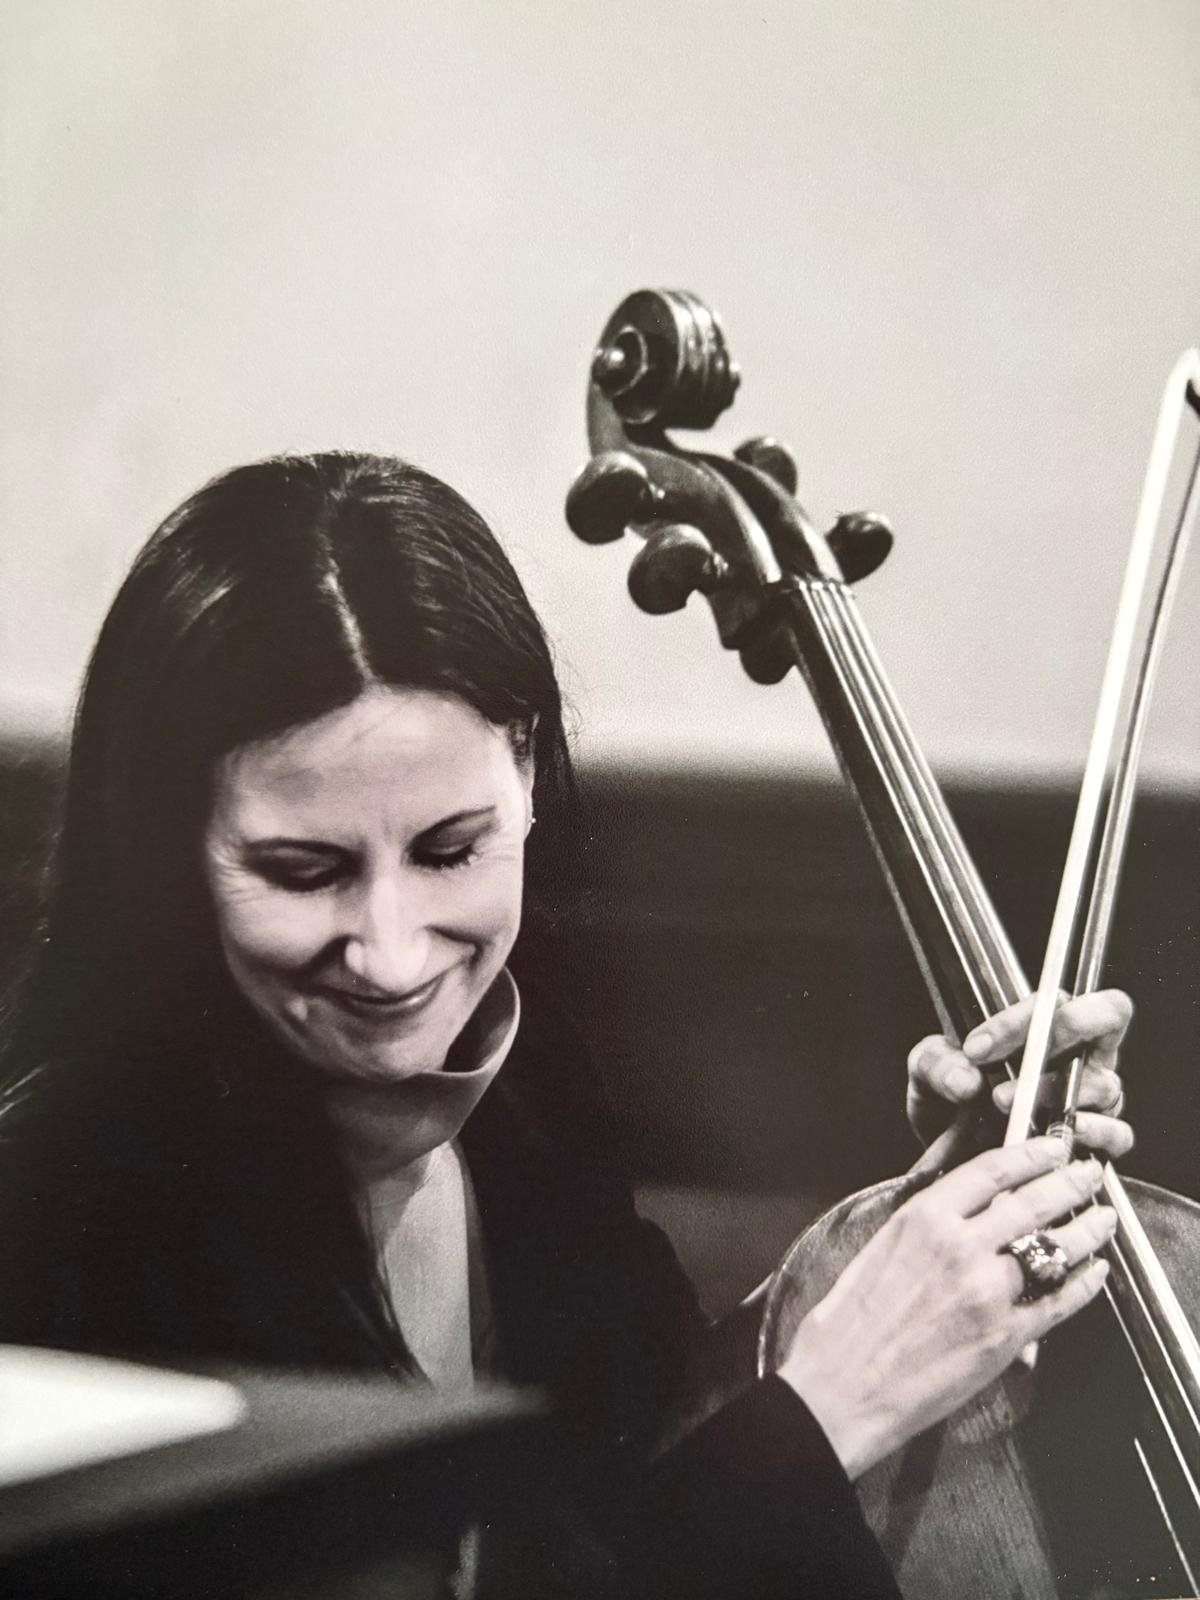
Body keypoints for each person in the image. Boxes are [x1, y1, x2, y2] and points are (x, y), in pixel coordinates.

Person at [0, 452, 1134, 1596]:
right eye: (303, 871)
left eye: (451, 851)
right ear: (167, 849)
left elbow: (644, 1473)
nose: (395, 957)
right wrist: (831, 1410)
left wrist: (939, 1210)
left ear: (530, 772)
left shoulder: (523, 1088)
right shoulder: (56, 1220)